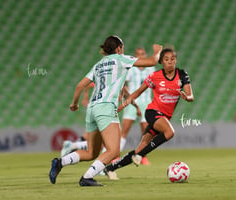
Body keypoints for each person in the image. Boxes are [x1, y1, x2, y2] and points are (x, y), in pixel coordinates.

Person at [48, 35, 163, 186]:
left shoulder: (98, 64)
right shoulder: (121, 59)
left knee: (91, 153)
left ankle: (60, 162)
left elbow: (79, 85)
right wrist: (158, 51)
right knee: (114, 151)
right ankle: (87, 177)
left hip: (92, 109)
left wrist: (74, 103)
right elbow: (152, 62)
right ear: (118, 48)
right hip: (106, 108)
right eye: (122, 47)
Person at [104, 48, 194, 180]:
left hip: (164, 117)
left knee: (140, 147)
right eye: (166, 59)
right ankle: (139, 156)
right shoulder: (155, 76)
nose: (170, 62)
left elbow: (191, 95)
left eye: (172, 59)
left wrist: (187, 97)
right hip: (152, 112)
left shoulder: (182, 74)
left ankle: (110, 168)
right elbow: (137, 92)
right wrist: (122, 105)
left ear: (176, 60)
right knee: (170, 132)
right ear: (162, 62)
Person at [120, 47, 155, 165]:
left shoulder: (151, 69)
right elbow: (122, 84)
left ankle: (141, 155)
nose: (140, 56)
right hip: (132, 101)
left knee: (146, 132)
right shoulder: (130, 69)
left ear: (145, 55)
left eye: (143, 54)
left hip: (146, 103)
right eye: (138, 54)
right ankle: (114, 155)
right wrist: (123, 94)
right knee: (124, 130)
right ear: (135, 56)